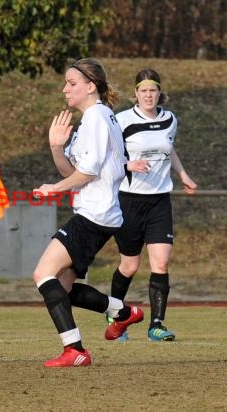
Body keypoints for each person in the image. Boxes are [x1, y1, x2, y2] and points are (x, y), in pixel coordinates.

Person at [32, 58, 144, 368]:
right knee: (63, 289)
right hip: (99, 214)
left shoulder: (97, 118)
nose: (65, 88)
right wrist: (56, 148)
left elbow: (88, 174)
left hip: (93, 214)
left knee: (43, 274)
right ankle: (122, 312)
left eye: (72, 83)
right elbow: (76, 170)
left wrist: (54, 188)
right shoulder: (96, 119)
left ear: (90, 86)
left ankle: (75, 351)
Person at [109, 69, 197, 342]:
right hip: (129, 201)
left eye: (153, 90)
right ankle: (115, 315)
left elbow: (169, 148)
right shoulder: (121, 120)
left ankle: (156, 325)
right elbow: (107, 157)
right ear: (135, 93)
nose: (148, 95)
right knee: (130, 266)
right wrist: (128, 165)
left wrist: (183, 175)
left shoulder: (170, 119)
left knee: (161, 262)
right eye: (143, 90)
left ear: (159, 92)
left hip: (160, 200)